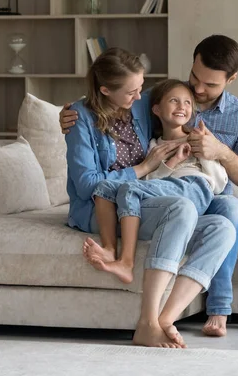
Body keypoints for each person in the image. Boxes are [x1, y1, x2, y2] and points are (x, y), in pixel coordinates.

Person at [62, 35, 238, 337]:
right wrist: (70, 114)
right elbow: (106, 101)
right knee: (225, 208)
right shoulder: (153, 99)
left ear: (231, 79)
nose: (197, 90)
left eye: (209, 85)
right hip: (163, 192)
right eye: (194, 78)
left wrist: (220, 151)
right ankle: (218, 307)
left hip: (203, 191)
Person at [65, 47, 236, 348]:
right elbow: (85, 185)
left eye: (142, 88)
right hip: (102, 207)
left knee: (222, 228)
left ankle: (165, 319)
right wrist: (143, 167)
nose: (140, 96)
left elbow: (176, 99)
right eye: (132, 92)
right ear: (105, 90)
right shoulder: (81, 118)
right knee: (181, 208)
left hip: (148, 201)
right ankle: (146, 321)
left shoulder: (140, 104)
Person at [84, 79, 229, 284]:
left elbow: (220, 182)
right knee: (105, 187)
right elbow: (150, 183)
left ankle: (126, 262)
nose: (182, 107)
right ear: (157, 109)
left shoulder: (198, 139)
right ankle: (110, 250)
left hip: (195, 189)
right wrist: (172, 162)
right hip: (169, 199)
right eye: (174, 101)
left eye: (188, 103)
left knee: (129, 189)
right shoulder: (154, 146)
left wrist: (203, 150)